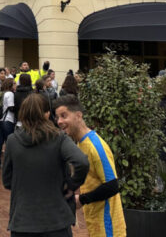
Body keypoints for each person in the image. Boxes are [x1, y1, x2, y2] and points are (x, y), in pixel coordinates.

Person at [3, 94, 89, 237]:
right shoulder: (59, 138)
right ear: (47, 114)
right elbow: (81, 161)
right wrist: (71, 185)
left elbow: (7, 181)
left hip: (23, 222)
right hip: (56, 220)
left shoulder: (12, 141)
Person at [55, 95, 126, 237]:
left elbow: (112, 185)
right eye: (57, 117)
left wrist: (81, 200)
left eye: (64, 115)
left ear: (78, 115)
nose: (59, 121)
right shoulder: (80, 143)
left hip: (109, 228)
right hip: (96, 225)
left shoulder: (96, 146)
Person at [0, 78, 16, 170]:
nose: (16, 85)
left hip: (0, 120)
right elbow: (11, 107)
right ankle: (8, 163)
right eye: (14, 83)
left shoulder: (2, 93)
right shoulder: (10, 94)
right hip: (8, 120)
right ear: (10, 85)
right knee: (9, 142)